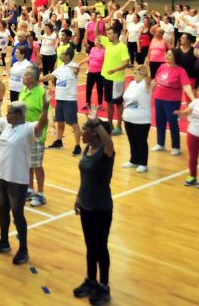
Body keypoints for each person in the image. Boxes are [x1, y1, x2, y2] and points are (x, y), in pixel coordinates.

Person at [0, 91, 51, 265]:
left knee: (18, 214)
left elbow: (42, 124)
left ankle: (23, 250)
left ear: (19, 114)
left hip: (17, 180)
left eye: (9, 113)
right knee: (2, 211)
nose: (6, 115)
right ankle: (4, 242)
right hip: (1, 177)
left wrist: (45, 107)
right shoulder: (7, 125)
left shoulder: (28, 128)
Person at [72, 118, 115, 305]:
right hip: (86, 205)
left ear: (95, 133)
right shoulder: (87, 148)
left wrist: (96, 122)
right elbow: (85, 177)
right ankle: (91, 280)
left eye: (84, 130)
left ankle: (104, 286)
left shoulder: (106, 153)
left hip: (101, 208)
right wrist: (78, 197)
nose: (81, 133)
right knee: (90, 246)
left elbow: (109, 144)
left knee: (100, 247)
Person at [152, 49, 195, 156]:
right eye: (167, 54)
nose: (167, 56)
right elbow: (155, 81)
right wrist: (147, 92)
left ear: (175, 57)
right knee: (159, 121)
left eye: (170, 55)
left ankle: (176, 147)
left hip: (172, 101)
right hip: (158, 98)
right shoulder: (162, 66)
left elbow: (186, 86)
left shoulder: (180, 71)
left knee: (173, 123)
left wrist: (194, 99)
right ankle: (160, 143)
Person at [45, 47, 81, 154]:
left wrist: (76, 70)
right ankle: (59, 141)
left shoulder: (74, 66)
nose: (60, 55)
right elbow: (50, 76)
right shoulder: (60, 67)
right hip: (59, 99)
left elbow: (76, 71)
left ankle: (78, 146)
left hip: (69, 100)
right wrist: (37, 79)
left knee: (74, 123)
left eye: (62, 54)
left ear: (68, 56)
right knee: (60, 122)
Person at [20, 65, 48, 207]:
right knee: (28, 163)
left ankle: (41, 194)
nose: (23, 77)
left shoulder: (41, 93)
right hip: (24, 133)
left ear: (34, 78)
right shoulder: (23, 90)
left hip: (36, 134)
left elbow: (46, 113)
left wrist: (45, 131)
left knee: (36, 164)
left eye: (26, 75)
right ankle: (30, 189)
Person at [100, 23, 130, 136]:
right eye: (107, 33)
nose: (107, 35)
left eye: (110, 33)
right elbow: (97, 34)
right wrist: (98, 21)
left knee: (118, 104)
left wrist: (114, 70)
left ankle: (119, 126)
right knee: (109, 103)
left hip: (117, 80)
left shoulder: (122, 47)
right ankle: (110, 125)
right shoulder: (108, 43)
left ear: (116, 35)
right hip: (107, 78)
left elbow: (126, 63)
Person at [121, 64, 152, 173]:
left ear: (142, 75)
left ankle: (143, 163)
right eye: (133, 72)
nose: (133, 75)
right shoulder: (132, 83)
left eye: (136, 73)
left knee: (141, 141)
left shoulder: (146, 84)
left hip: (142, 120)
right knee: (132, 140)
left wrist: (146, 73)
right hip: (129, 117)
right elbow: (126, 98)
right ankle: (133, 160)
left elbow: (149, 80)